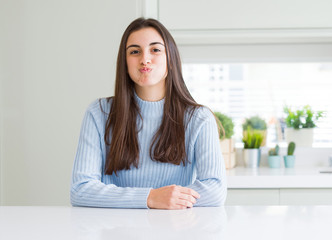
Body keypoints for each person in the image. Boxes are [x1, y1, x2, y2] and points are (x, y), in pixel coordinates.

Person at [70, 18, 227, 209]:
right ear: (125, 63)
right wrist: (150, 198)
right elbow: (81, 190)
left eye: (155, 50)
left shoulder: (199, 118)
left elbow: (215, 190)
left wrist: (167, 199)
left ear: (171, 59)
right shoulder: (99, 113)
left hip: (174, 230)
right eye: (135, 51)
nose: (145, 59)